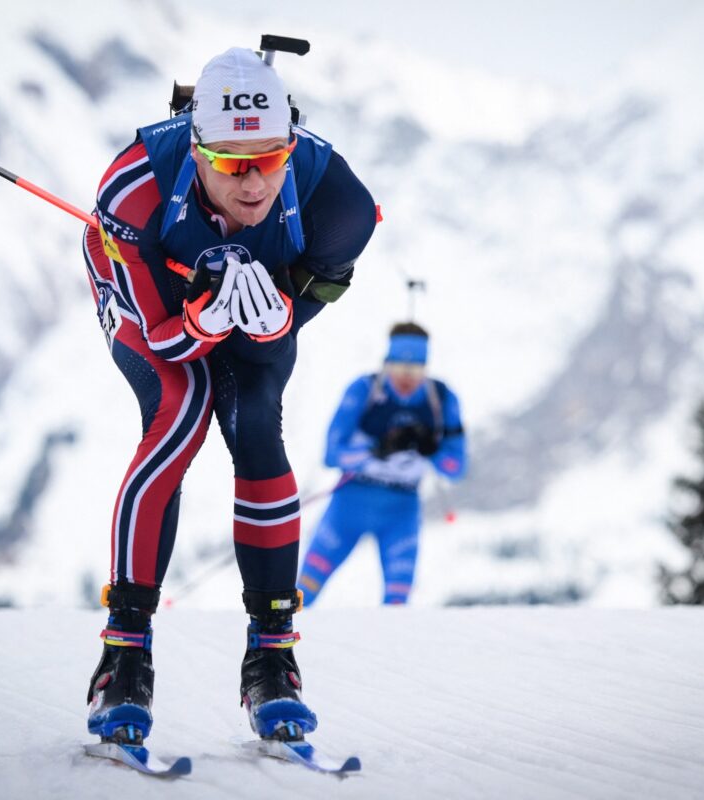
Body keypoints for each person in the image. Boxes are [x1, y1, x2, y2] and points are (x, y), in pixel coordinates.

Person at [79, 46, 377, 747]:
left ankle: (272, 658)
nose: (254, 182)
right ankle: (123, 655)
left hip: (255, 300)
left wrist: (276, 321)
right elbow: (160, 339)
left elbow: (306, 304)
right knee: (178, 414)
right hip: (152, 298)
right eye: (232, 163)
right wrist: (198, 323)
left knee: (257, 426)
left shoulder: (340, 204)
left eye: (270, 159)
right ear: (196, 148)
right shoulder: (134, 190)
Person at [297, 322, 466, 606]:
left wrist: (431, 449)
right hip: (349, 504)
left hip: (401, 510)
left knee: (397, 603)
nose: (406, 377)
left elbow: (456, 468)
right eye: (397, 366)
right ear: (386, 362)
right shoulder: (364, 390)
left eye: (415, 369)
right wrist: (377, 450)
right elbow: (331, 454)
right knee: (303, 592)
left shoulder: (442, 399)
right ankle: (274, 634)